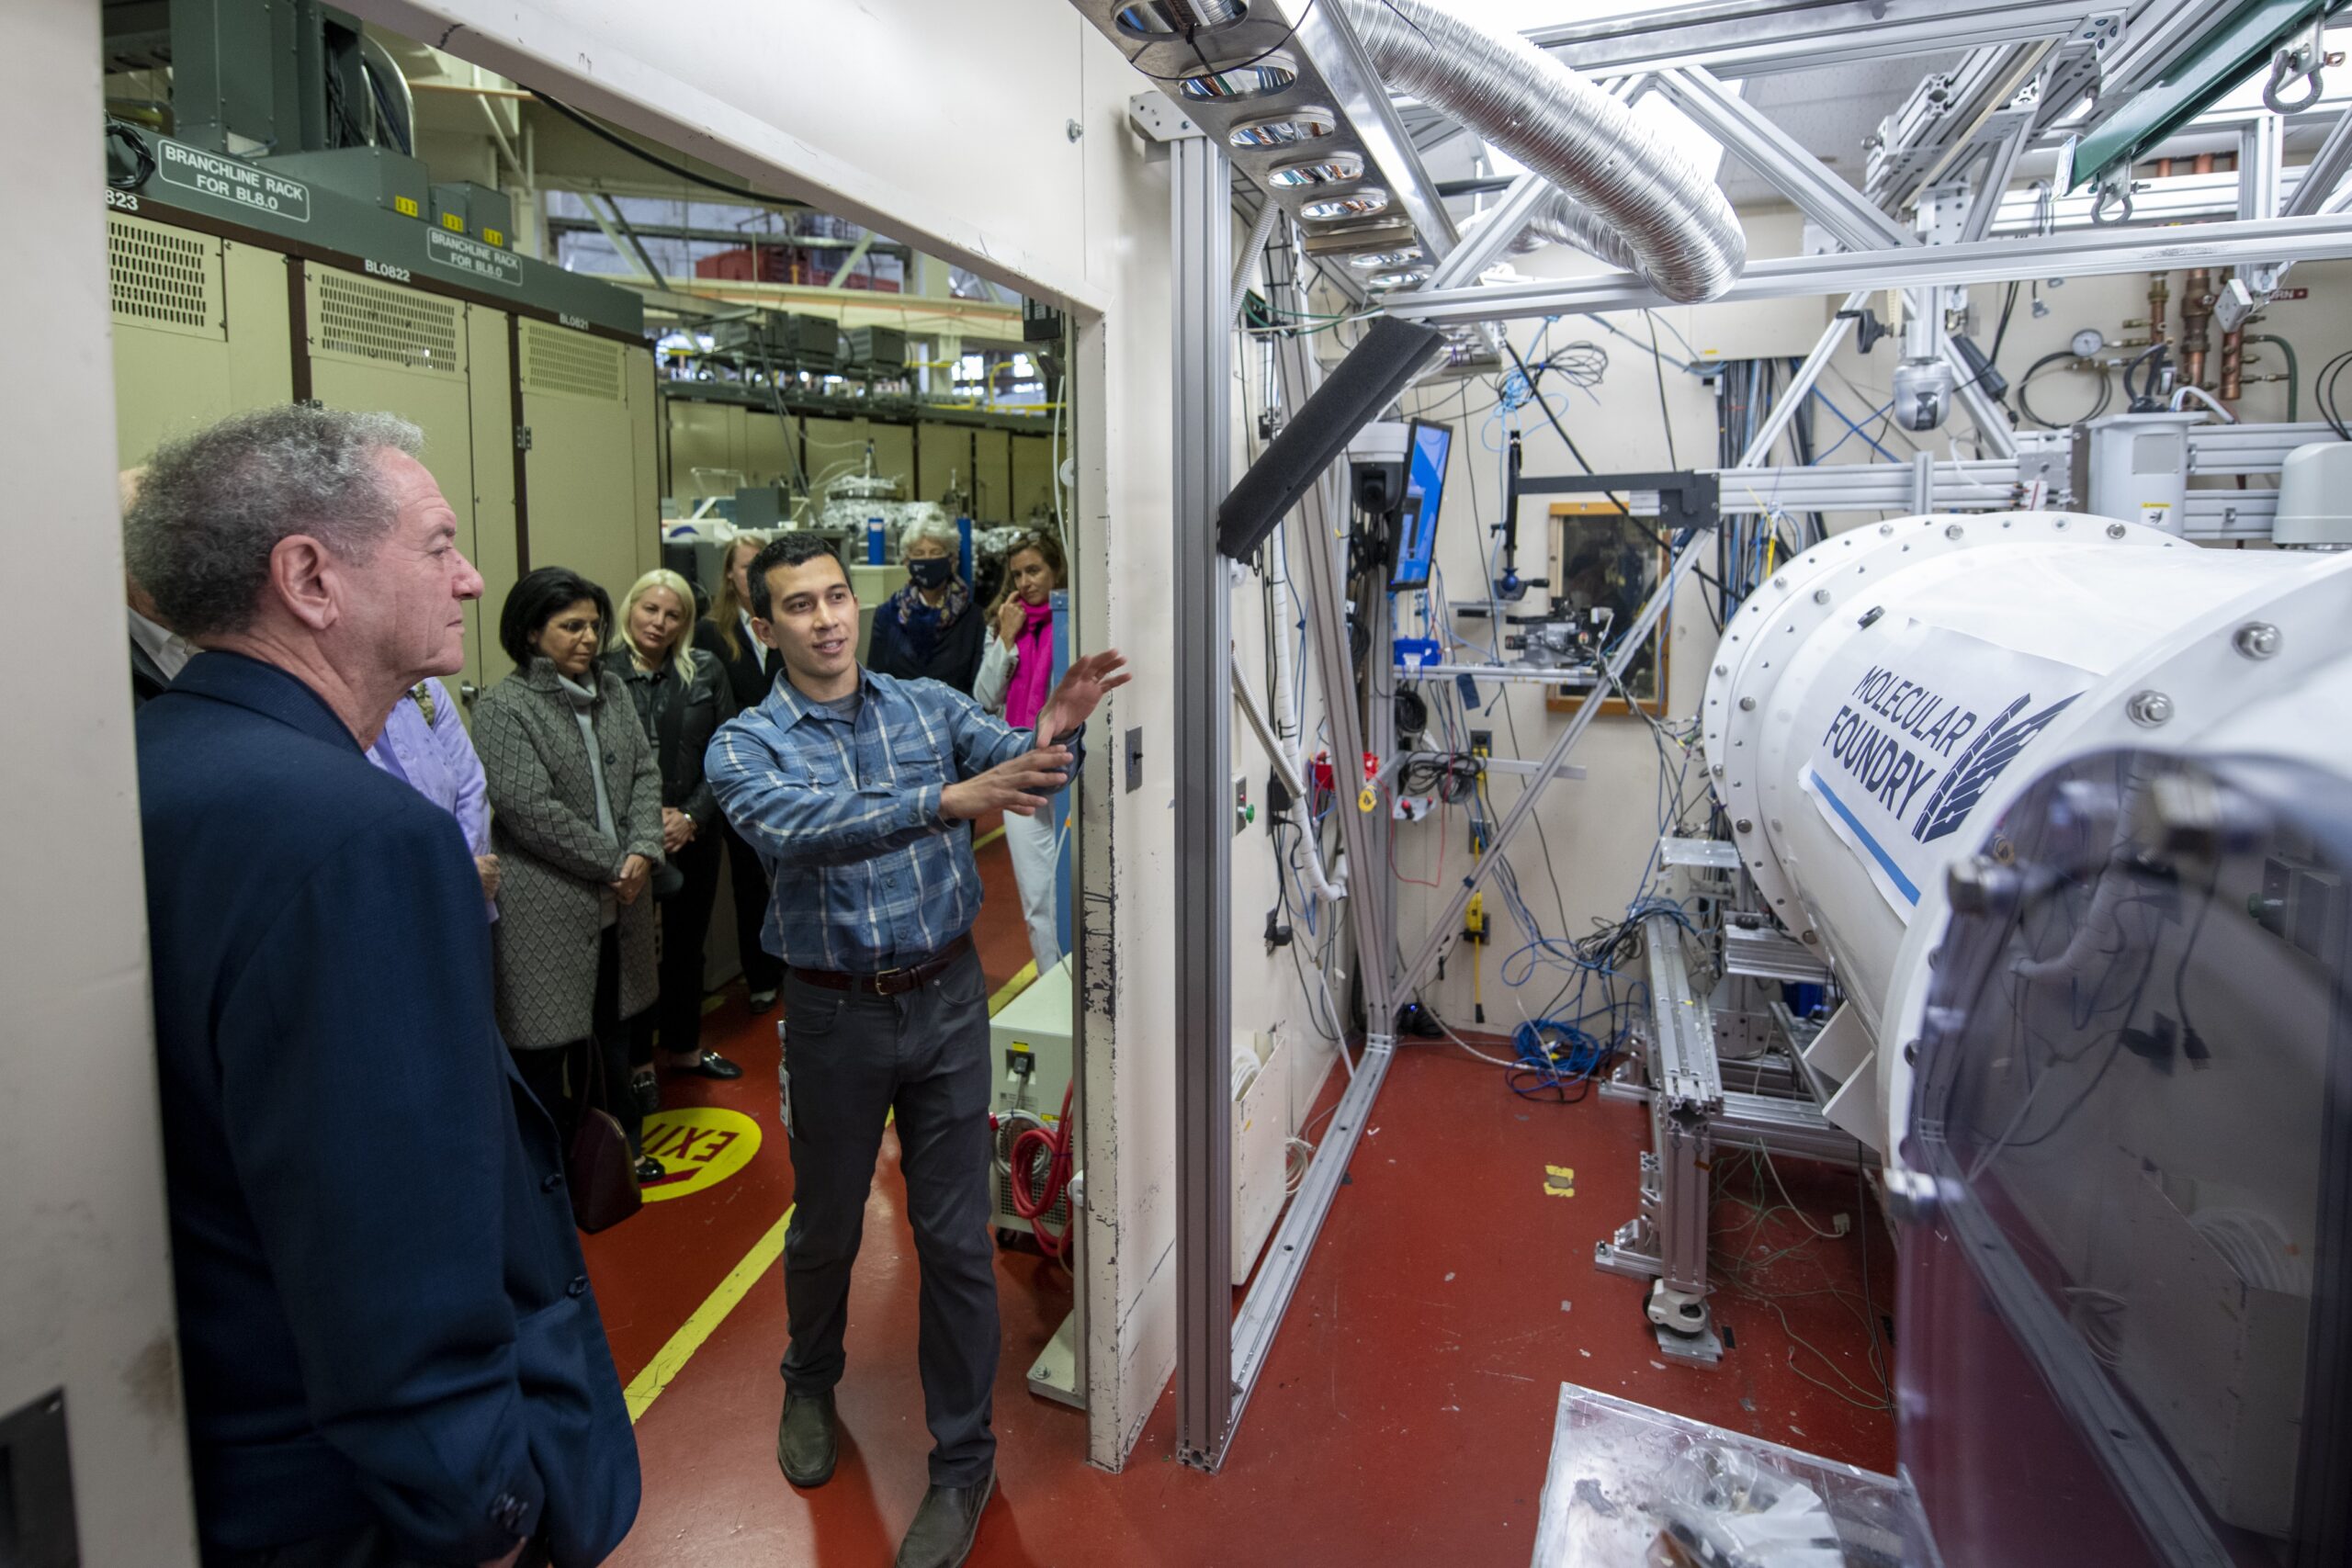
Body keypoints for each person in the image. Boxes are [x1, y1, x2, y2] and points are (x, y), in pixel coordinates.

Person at [126, 404, 638, 1567]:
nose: (467, 581)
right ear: (311, 577)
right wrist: (490, 1518)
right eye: (438, 542)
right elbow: (390, 1248)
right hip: (360, 1507)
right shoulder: (363, 840)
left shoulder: (154, 772)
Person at [707, 533, 1125, 1568]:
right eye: (797, 605)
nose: (827, 618)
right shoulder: (743, 745)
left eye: (838, 596)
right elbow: (802, 828)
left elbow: (1009, 754)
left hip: (944, 1003)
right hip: (834, 1015)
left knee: (951, 1240)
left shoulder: (927, 708)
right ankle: (809, 1377)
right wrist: (943, 804)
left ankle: (962, 1460)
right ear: (765, 627)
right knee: (826, 1224)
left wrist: (1052, 731)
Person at [475, 567, 667, 1185]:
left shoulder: (611, 689)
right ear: (533, 633)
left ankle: (618, 1155)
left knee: (616, 1034)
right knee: (544, 1049)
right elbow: (528, 809)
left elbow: (644, 772)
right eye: (571, 626)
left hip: (622, 899)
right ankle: (547, 1174)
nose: (588, 638)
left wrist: (642, 847)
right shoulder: (507, 707)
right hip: (549, 909)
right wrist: (615, 861)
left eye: (593, 625)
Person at [602, 567, 742, 1115]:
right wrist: (641, 824)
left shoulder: (705, 670)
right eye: (649, 610)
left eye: (673, 614)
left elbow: (729, 752)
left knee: (688, 945)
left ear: (686, 623)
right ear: (630, 610)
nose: (659, 623)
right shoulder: (602, 673)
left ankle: (683, 1046)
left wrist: (691, 816)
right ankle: (638, 1064)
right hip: (625, 840)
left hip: (692, 832)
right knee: (633, 954)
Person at [971, 530, 1070, 975]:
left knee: (1073, 889)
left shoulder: (1074, 618)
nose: (1026, 582)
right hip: (1019, 771)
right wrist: (1005, 641)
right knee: (1036, 899)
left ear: (1056, 570)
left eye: (1035, 570)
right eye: (1017, 574)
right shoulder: (1006, 626)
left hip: (1068, 768)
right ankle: (1053, 983)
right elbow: (984, 696)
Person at [694, 532, 785, 1014]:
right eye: (743, 566)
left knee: (793, 870)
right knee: (749, 880)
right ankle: (761, 975)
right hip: (741, 774)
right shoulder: (711, 632)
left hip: (792, 767)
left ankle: (795, 963)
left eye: (761, 566)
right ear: (728, 573)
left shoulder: (786, 621)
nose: (751, 575)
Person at [366, 676, 502, 911]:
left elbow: (470, 784)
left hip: (464, 893)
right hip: (389, 901)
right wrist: (452, 875)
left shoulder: (425, 690)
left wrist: (465, 870)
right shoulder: (335, 703)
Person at [865, 512, 983, 694]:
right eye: (919, 553)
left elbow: (976, 685)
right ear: (907, 562)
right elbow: (876, 681)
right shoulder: (887, 614)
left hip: (953, 718)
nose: (928, 560)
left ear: (952, 560)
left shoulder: (972, 617)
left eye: (936, 553)